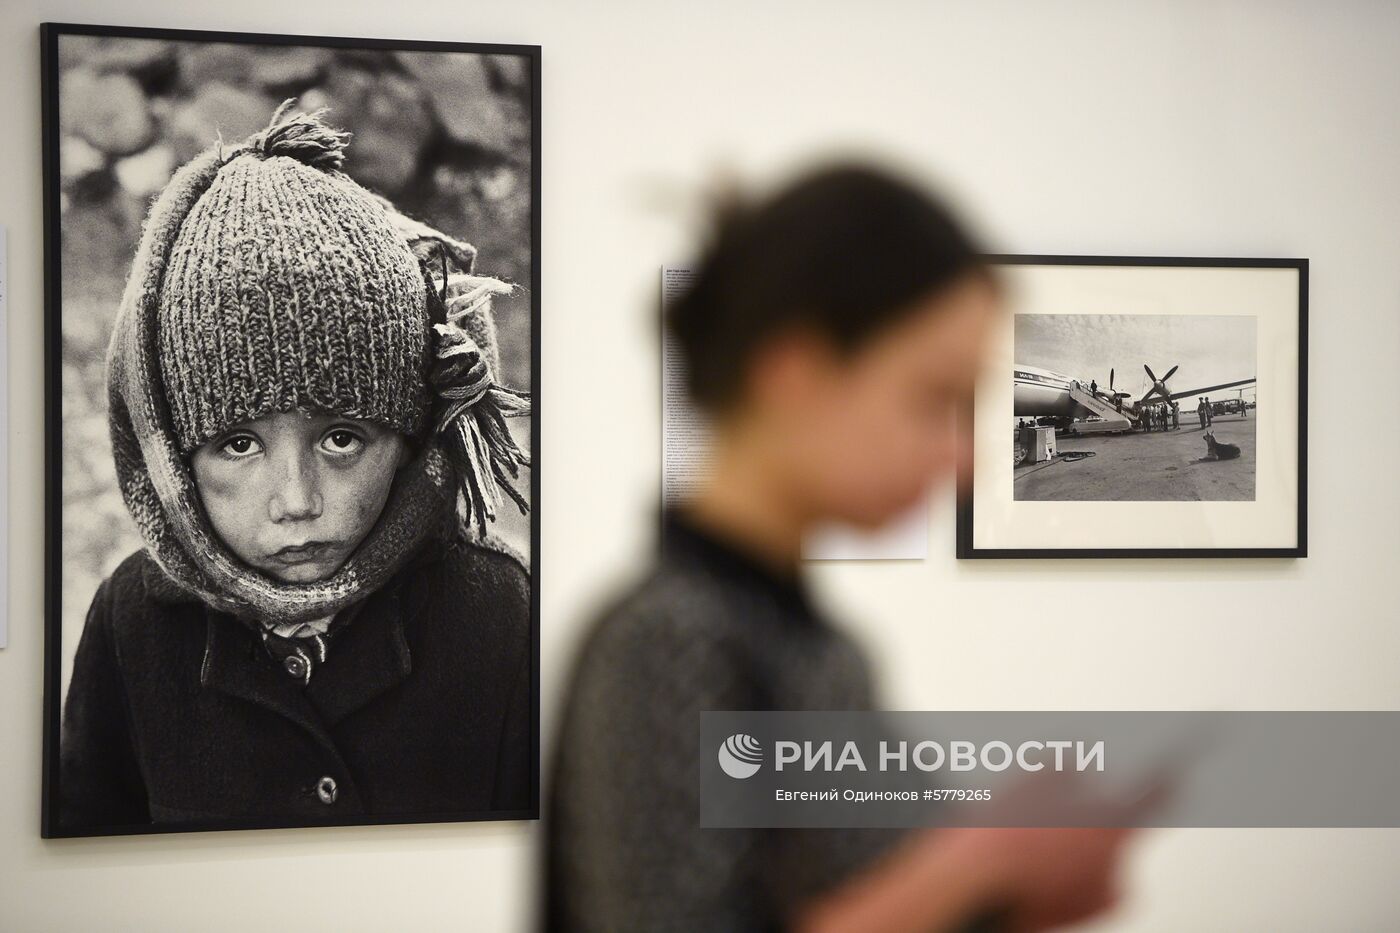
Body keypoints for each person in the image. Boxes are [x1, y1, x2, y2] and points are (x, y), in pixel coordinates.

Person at [544, 167, 1141, 932]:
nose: (966, 458)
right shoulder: (664, 638)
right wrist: (975, 867)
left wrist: (1008, 897)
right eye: (934, 399)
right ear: (794, 374)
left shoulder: (822, 649)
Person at [59, 104, 534, 829]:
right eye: (238, 444)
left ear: (409, 434)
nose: (295, 500)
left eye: (341, 438)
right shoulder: (132, 625)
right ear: (178, 462)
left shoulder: (501, 615)